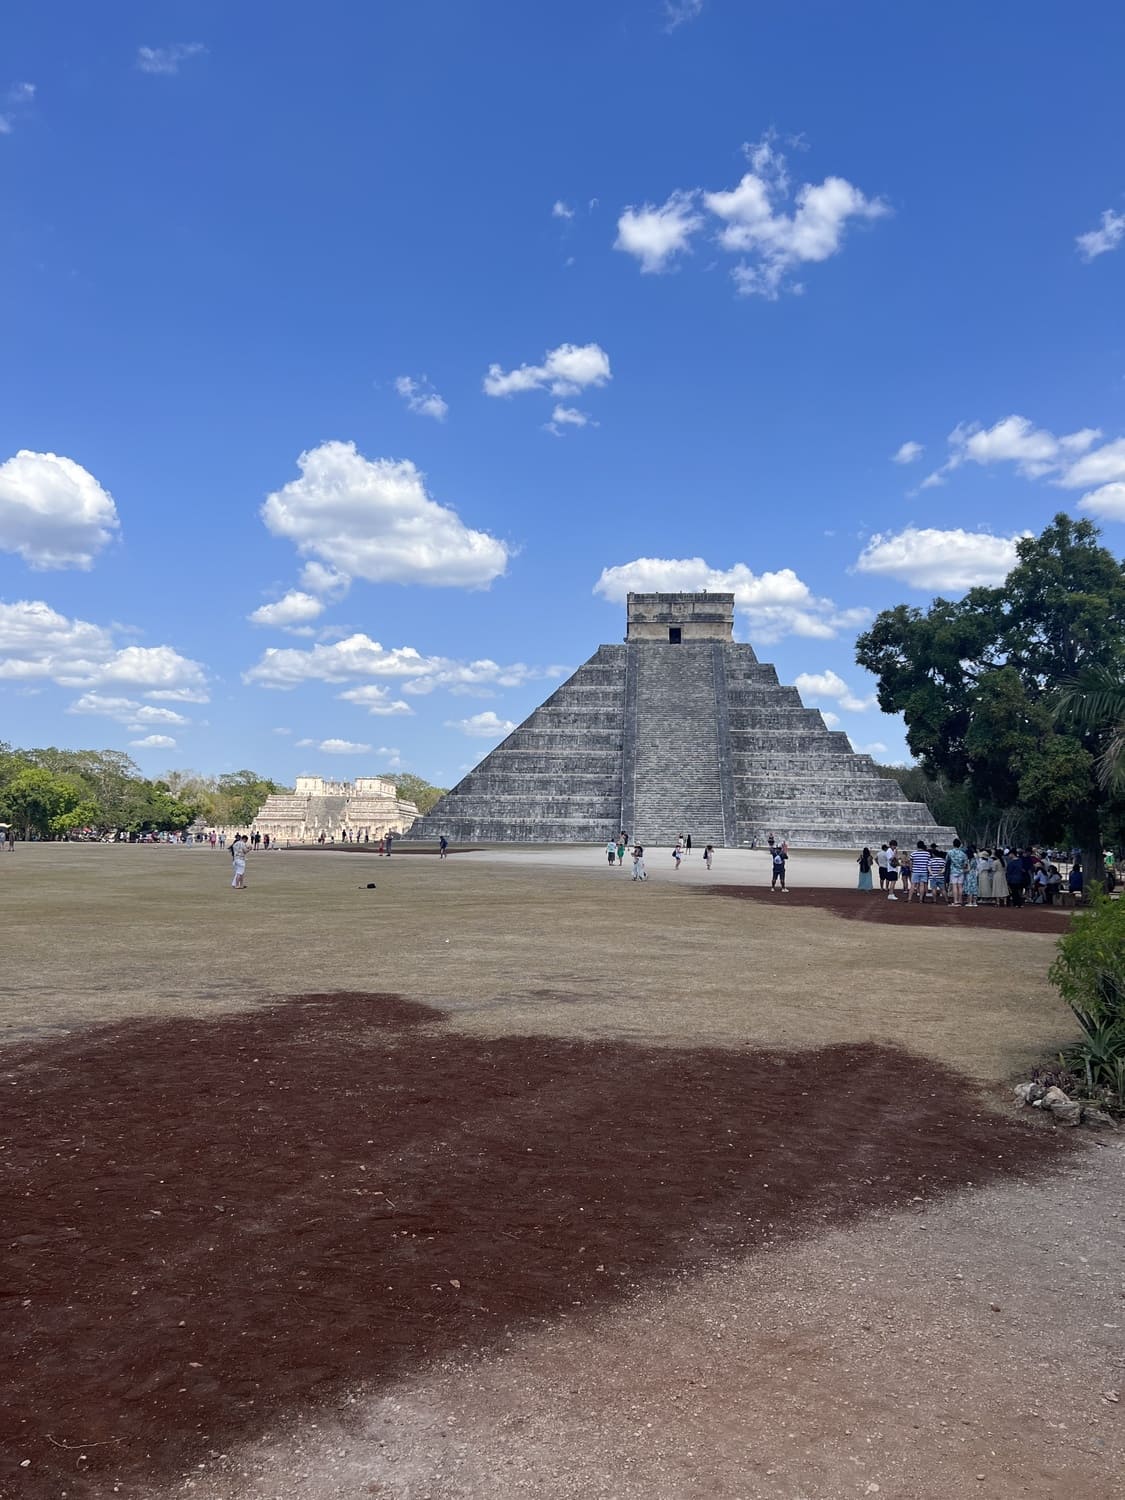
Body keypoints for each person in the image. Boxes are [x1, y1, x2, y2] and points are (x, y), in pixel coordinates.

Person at [947, 838, 969, 907]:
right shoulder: (963, 854)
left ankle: (955, 901)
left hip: (953, 871)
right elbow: (965, 864)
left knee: (954, 886)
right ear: (960, 845)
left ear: (953, 844)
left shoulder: (950, 852)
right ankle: (960, 900)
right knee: (960, 886)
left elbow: (947, 860)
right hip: (961, 871)